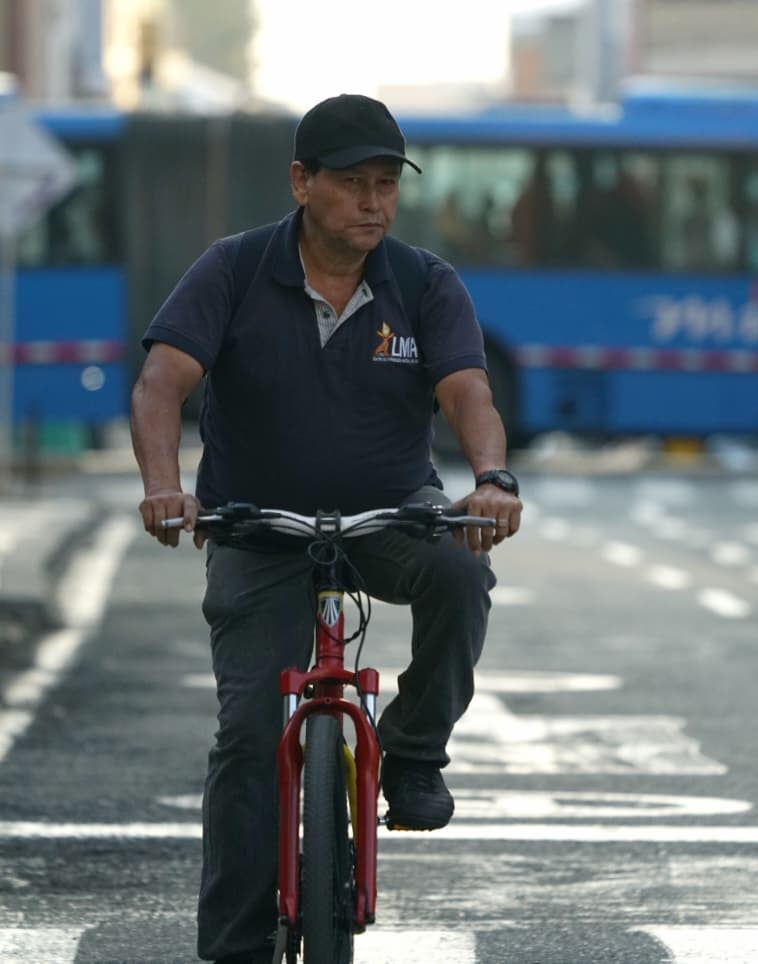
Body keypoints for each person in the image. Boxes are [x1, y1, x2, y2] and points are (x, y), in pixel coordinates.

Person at [128, 93, 523, 964]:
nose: (374, 202)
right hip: (255, 526)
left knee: (461, 575)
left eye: (386, 184)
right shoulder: (232, 270)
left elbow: (469, 392)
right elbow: (161, 385)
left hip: (389, 515)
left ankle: (415, 751)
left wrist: (490, 479)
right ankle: (234, 948)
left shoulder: (424, 283)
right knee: (244, 740)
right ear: (302, 183)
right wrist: (166, 489)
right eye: (352, 184)